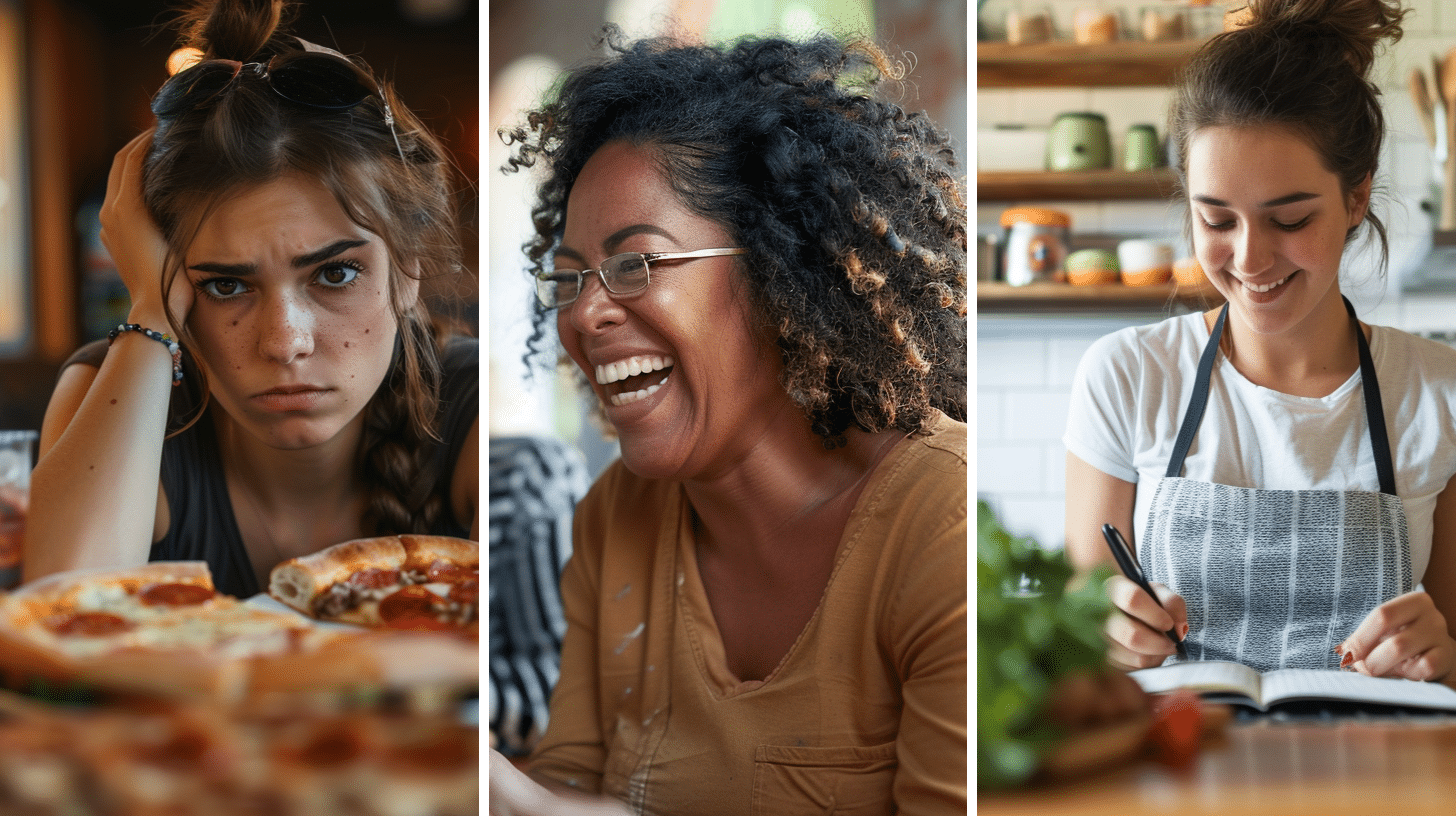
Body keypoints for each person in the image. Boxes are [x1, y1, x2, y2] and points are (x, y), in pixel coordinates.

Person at [490, 27, 968, 816]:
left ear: (781, 270)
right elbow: (567, 782)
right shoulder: (617, 517)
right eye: (570, 280)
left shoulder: (937, 521)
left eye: (635, 263)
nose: (587, 313)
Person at [24, 0, 478, 599]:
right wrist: (152, 311)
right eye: (226, 285)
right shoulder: (117, 397)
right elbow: (64, 630)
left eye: (335, 274)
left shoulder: (468, 406)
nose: (284, 341)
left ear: (409, 267)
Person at [1064, 0, 1456, 686]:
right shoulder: (1125, 375)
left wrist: (1443, 655)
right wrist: (1104, 630)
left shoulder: (1439, 391)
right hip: (1170, 774)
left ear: (1357, 198)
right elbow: (1081, 630)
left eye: (1291, 219)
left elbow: (1451, 652)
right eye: (1216, 219)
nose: (1249, 259)